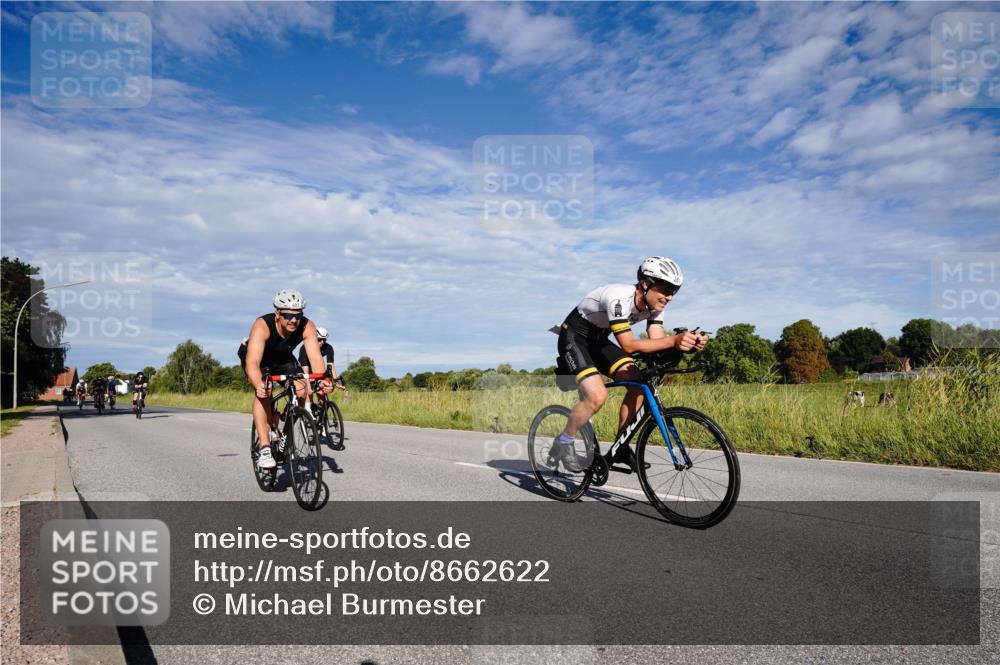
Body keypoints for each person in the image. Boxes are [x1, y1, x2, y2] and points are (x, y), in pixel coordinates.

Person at [551, 257, 708, 469]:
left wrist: (686, 344)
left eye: (674, 291)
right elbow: (629, 346)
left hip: (599, 342)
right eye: (665, 289)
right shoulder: (619, 298)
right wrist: (673, 340)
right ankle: (564, 441)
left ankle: (621, 447)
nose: (669, 297)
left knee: (638, 384)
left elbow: (656, 342)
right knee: (597, 397)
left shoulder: (656, 305)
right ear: (645, 284)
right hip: (574, 338)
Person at [243, 289, 332, 470]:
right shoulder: (262, 325)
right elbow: (252, 362)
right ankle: (265, 447)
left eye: (298, 315)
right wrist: (258, 383)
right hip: (259, 359)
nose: (293, 320)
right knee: (264, 390)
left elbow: (315, 358)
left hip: (283, 359)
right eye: (288, 315)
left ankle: (284, 424)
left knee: (302, 388)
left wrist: (322, 380)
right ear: (277, 314)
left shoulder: (307, 326)